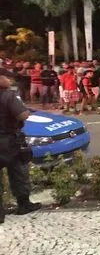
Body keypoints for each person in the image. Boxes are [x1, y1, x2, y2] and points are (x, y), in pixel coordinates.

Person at [0, 75, 42, 224]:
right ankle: (24, 205)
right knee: (18, 171)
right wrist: (27, 111)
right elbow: (22, 115)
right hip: (8, 141)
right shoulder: (8, 96)